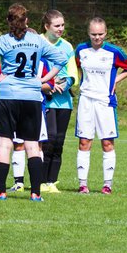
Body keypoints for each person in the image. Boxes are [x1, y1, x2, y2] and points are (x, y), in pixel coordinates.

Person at [0, 4, 67, 200]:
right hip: (31, 96)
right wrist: (42, 80)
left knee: (4, 144)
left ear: (9, 21)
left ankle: (0, 192)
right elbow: (61, 60)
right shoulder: (37, 40)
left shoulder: (3, 41)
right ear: (26, 21)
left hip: (7, 96)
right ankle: (35, 194)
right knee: (32, 145)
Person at [74, 17, 127, 194]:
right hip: (86, 100)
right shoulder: (81, 49)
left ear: (106, 33)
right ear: (88, 33)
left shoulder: (114, 52)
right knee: (84, 142)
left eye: (100, 34)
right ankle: (82, 184)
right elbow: (77, 66)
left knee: (107, 143)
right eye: (93, 34)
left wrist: (115, 80)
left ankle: (107, 184)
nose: (97, 38)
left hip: (105, 101)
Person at [39, 10, 78, 192]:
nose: (61, 29)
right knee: (48, 140)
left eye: (62, 25)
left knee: (59, 142)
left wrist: (67, 81)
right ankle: (40, 180)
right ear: (47, 27)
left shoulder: (68, 46)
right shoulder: (37, 42)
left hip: (64, 101)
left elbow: (73, 73)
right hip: (44, 100)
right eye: (57, 25)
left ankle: (51, 182)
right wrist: (47, 84)